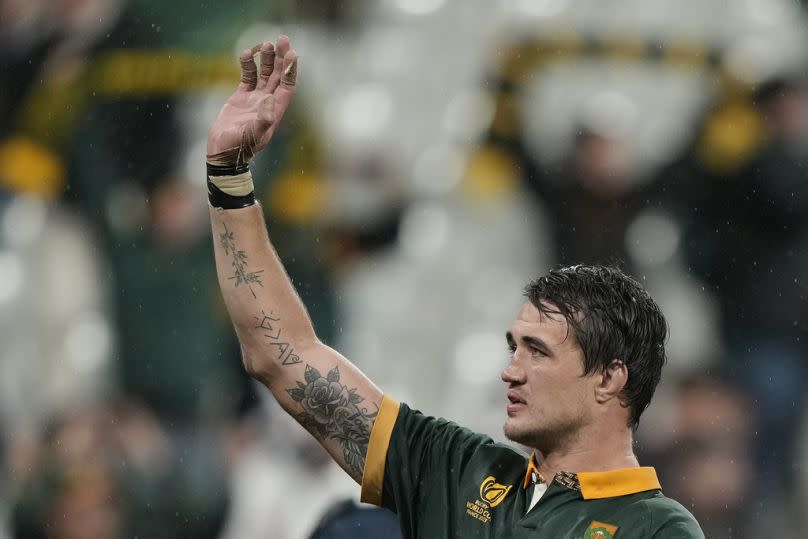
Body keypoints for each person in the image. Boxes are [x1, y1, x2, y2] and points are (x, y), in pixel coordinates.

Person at [205, 35, 704, 538]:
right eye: (514, 348)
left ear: (609, 378)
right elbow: (283, 355)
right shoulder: (453, 468)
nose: (510, 371)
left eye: (539, 352)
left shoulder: (656, 528)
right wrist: (229, 179)